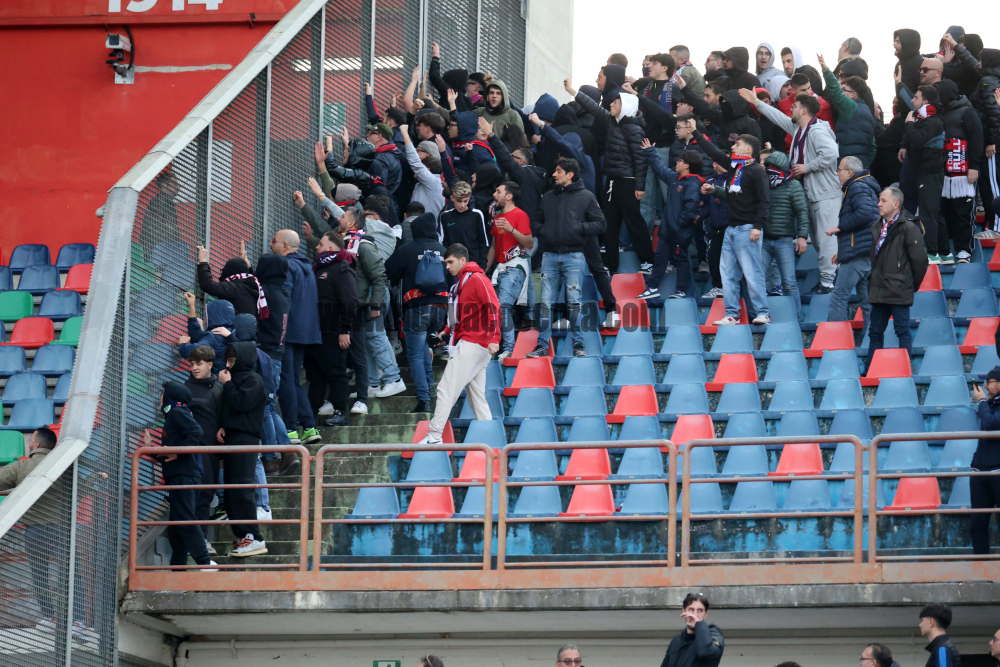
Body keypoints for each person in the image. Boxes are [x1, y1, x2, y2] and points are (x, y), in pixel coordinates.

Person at [743, 89, 840, 294]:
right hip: (813, 193)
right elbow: (778, 118)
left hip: (825, 194)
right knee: (819, 240)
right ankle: (827, 280)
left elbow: (832, 153)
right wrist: (758, 104)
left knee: (825, 239)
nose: (790, 109)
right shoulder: (800, 129)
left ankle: (828, 282)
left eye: (794, 107)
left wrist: (808, 166)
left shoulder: (817, 130)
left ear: (803, 110)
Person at [565, 77, 653, 276]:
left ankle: (648, 261)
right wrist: (573, 91)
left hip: (628, 183)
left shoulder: (634, 129)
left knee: (634, 222)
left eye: (615, 102)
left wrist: (640, 187)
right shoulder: (612, 122)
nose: (611, 104)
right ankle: (610, 265)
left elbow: (641, 160)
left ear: (626, 106)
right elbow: (593, 107)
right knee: (609, 223)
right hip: (612, 181)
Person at [417, 244, 500, 445]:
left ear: (463, 260)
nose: (447, 266)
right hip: (474, 343)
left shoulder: (477, 279)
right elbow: (461, 317)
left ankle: (435, 435)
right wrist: (445, 332)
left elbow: (494, 307)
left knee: (446, 388)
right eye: (445, 263)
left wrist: (495, 338)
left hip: (474, 343)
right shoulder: (462, 282)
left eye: (450, 262)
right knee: (476, 397)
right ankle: (491, 443)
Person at [693, 127, 772, 325]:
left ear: (747, 151)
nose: (732, 146)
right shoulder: (735, 167)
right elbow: (733, 193)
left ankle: (763, 313)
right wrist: (715, 190)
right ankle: (732, 314)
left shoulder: (756, 171)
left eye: (737, 144)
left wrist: (757, 226)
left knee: (753, 273)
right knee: (727, 275)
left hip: (748, 229)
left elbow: (764, 201)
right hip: (731, 229)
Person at [529, 158, 606, 357]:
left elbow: (601, 224)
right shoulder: (547, 197)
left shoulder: (586, 196)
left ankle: (578, 345)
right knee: (545, 302)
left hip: (574, 256)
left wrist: (579, 228)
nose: (554, 174)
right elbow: (535, 220)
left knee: (574, 301)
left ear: (570, 174)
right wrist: (544, 231)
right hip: (550, 255)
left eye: (558, 171)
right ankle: (542, 346)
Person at [146, 381, 216, 571]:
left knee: (185, 520)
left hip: (184, 475)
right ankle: (178, 576)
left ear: (170, 397)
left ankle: (205, 562)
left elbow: (196, 432)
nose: (159, 397)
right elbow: (170, 454)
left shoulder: (177, 412)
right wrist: (151, 451)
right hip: (181, 474)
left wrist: (179, 452)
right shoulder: (175, 415)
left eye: (162, 393)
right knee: (177, 530)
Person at [385, 213, 450, 413]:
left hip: (416, 306)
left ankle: (424, 399)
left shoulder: (408, 249)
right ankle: (429, 392)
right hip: (440, 307)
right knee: (423, 349)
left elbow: (388, 271)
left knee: (414, 353)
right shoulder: (443, 249)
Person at [339, 208, 404, 403]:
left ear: (351, 223)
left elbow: (378, 276)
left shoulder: (363, 245)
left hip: (371, 302)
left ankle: (394, 378)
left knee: (376, 337)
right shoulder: (350, 243)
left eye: (343, 216)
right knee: (367, 340)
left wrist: (375, 305)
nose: (339, 218)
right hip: (364, 302)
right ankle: (372, 383)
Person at [865, 187, 928, 373]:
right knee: (875, 332)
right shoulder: (877, 226)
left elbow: (920, 261)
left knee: (902, 331)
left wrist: (909, 285)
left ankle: (904, 370)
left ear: (896, 204)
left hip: (899, 289)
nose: (879, 204)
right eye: (879, 200)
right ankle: (870, 371)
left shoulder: (909, 227)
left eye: (883, 200)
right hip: (878, 289)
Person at [271, 229, 322, 449]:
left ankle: (291, 428)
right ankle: (309, 426)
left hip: (287, 330)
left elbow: (283, 297)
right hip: (304, 332)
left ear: (284, 246)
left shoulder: (286, 266)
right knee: (292, 379)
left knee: (286, 380)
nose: (270, 244)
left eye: (273, 241)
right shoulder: (307, 267)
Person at [636, 140, 705, 300]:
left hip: (680, 232)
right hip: (668, 231)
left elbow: (690, 209)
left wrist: (677, 224)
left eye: (680, 160)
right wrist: (651, 151)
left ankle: (681, 290)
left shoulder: (693, 184)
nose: (677, 162)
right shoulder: (675, 178)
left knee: (681, 259)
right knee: (660, 258)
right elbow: (660, 169)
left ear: (687, 165)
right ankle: (653, 287)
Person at [218, 341, 268, 557]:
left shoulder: (253, 379)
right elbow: (229, 407)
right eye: (228, 360)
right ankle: (241, 536)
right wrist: (223, 425)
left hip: (246, 438)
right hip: (231, 436)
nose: (229, 365)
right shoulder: (234, 379)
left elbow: (240, 403)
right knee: (230, 490)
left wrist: (228, 385)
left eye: (233, 360)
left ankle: (254, 536)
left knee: (241, 488)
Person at [308, 231, 360, 426]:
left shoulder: (341, 268)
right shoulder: (317, 268)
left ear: (330, 248)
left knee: (337, 372)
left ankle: (340, 411)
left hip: (333, 331)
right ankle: (309, 416)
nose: (316, 247)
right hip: (316, 331)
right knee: (316, 375)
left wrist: (345, 330)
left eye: (320, 244)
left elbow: (350, 300)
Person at [828, 156, 879, 333]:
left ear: (849, 172)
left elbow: (864, 214)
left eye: (839, 170)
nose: (837, 174)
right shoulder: (865, 186)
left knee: (838, 297)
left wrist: (840, 226)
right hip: (865, 251)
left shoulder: (856, 186)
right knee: (867, 302)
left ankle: (836, 341)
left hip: (858, 254)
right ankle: (871, 342)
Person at [936, 79, 983, 264]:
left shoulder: (968, 112)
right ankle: (947, 250)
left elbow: (977, 139)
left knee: (963, 213)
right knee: (945, 212)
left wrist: (974, 166)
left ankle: (965, 251)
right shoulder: (938, 113)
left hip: (964, 173)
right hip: (943, 173)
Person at [485, 182, 534, 360]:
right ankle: (499, 347)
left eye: (498, 191)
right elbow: (494, 245)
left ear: (509, 196)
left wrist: (512, 229)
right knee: (497, 307)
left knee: (502, 306)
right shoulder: (498, 216)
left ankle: (508, 349)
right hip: (499, 269)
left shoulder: (520, 215)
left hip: (515, 266)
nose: (494, 194)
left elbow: (529, 243)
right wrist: (486, 268)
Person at [759, 151, 809, 316]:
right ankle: (758, 314)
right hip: (763, 240)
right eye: (768, 166)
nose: (770, 170)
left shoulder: (793, 186)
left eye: (773, 167)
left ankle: (795, 317)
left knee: (789, 282)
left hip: (784, 240)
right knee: (757, 279)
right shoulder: (762, 183)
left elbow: (802, 211)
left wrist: (802, 237)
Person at [902, 86, 948, 264]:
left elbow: (917, 139)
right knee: (934, 211)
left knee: (929, 213)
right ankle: (945, 253)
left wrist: (908, 123)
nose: (912, 101)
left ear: (925, 101)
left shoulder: (932, 121)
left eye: (916, 97)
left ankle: (932, 252)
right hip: (926, 171)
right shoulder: (927, 119)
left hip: (929, 172)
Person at [184, 345, 224, 548]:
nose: (194, 368)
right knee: (198, 495)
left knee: (207, 494)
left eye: (198, 364)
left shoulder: (219, 388)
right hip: (194, 451)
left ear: (210, 364)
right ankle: (199, 541)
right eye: (191, 364)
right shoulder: (185, 389)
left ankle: (201, 539)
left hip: (213, 451)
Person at [818, 54, 877, 167]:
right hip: (861, 166)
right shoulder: (867, 111)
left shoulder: (850, 107)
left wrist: (825, 69)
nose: (842, 91)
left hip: (846, 167)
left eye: (844, 89)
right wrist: (864, 165)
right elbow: (873, 147)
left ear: (853, 95)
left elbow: (835, 92)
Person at [971, 366, 1000, 554]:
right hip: (980, 471)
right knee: (977, 525)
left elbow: (990, 424)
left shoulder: (987, 404)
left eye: (988, 382)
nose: (984, 386)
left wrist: (982, 401)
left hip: (998, 472)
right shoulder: (990, 404)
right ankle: (980, 569)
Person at [658, 593, 724, 667]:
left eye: (699, 610)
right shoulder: (677, 641)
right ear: (684, 612)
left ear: (705, 614)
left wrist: (699, 624)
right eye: (691, 609)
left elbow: (706, 652)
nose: (694, 615)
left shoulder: (714, 635)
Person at [177, 292, 234, 373]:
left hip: (215, 381)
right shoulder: (228, 333)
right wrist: (191, 307)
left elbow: (194, 352)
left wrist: (183, 345)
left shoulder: (215, 336)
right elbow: (197, 337)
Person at [400, 123, 447, 219]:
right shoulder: (427, 183)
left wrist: (404, 133)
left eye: (419, 151)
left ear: (427, 170)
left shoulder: (433, 182)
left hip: (425, 230)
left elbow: (415, 163)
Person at [441, 180, 490, 267]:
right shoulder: (445, 216)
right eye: (459, 201)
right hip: (453, 265)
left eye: (465, 201)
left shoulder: (477, 214)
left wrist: (482, 266)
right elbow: (443, 242)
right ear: (452, 198)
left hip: (473, 264)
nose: (462, 205)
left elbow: (483, 242)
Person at [894, 29, 924, 94]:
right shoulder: (900, 64)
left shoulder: (919, 64)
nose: (894, 44)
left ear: (908, 44)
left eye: (898, 42)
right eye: (895, 41)